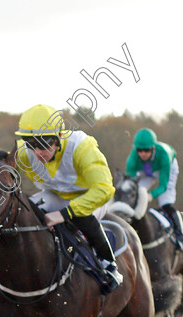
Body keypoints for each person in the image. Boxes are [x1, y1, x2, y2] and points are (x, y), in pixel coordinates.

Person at [14, 104, 123, 294]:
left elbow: (104, 189)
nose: (38, 152)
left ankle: (109, 265)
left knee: (81, 216)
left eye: (45, 144)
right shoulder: (24, 153)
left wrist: (65, 213)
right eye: (31, 144)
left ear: (59, 137)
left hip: (90, 197)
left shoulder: (82, 147)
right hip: (55, 195)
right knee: (26, 210)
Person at [126, 128, 183, 250]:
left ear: (153, 148)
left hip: (167, 168)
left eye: (146, 150)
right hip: (147, 169)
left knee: (165, 203)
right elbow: (130, 183)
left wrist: (150, 195)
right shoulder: (132, 159)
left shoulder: (164, 156)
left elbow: (163, 186)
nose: (142, 153)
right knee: (136, 194)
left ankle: (181, 236)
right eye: (139, 150)